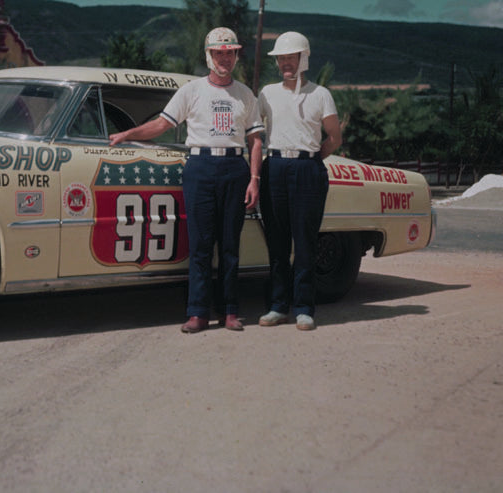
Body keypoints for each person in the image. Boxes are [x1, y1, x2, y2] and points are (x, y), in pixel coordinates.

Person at [110, 27, 263, 333]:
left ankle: (230, 311)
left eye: (230, 53)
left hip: (234, 167)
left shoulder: (245, 94)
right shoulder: (191, 91)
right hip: (200, 166)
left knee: (230, 245)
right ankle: (198, 312)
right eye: (219, 53)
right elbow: (161, 125)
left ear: (236, 56)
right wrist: (127, 134)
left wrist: (254, 178)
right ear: (209, 56)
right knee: (201, 244)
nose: (225, 59)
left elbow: (256, 140)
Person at [257, 31, 342, 331]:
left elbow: (334, 137)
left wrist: (312, 159)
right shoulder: (267, 93)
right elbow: (253, 130)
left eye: (290, 58)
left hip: (307, 168)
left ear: (303, 58)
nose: (285, 63)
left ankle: (304, 308)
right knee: (277, 241)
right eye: (281, 58)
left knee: (305, 242)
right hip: (274, 166)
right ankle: (278, 306)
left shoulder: (320, 94)